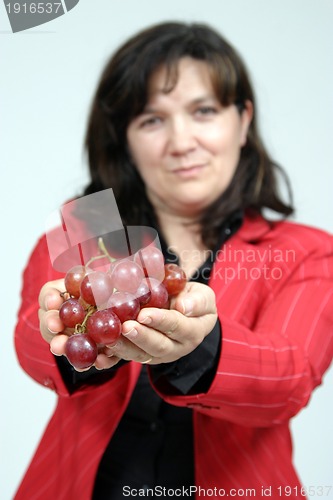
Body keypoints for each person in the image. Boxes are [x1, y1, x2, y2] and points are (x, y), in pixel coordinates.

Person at [14, 21, 333, 500]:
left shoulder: (305, 248)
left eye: (203, 111)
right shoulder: (84, 226)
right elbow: (30, 341)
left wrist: (199, 348)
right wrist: (64, 331)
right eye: (151, 120)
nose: (181, 142)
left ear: (243, 119)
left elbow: (288, 380)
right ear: (124, 138)